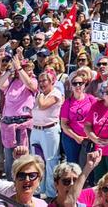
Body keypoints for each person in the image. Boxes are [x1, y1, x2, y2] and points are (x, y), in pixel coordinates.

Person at [0, 51, 40, 178]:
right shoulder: (11, 82)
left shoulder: (33, 80)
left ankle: (25, 179)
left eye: (28, 68)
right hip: (8, 123)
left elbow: (30, 85)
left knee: (24, 156)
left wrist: (19, 68)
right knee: (9, 156)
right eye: (25, 68)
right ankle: (11, 182)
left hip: (24, 123)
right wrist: (9, 70)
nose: (27, 70)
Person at [32, 69, 65, 200]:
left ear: (52, 81)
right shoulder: (40, 94)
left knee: (51, 162)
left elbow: (43, 105)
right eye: (39, 81)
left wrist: (39, 94)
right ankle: (38, 190)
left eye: (44, 80)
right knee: (37, 161)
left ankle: (51, 194)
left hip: (49, 130)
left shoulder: (55, 93)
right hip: (36, 129)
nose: (41, 83)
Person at [61, 67, 96, 165]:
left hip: (88, 138)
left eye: (80, 83)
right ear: (71, 86)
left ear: (85, 85)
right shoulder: (67, 103)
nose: (78, 86)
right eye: (75, 83)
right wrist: (76, 137)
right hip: (71, 138)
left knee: (88, 165)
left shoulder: (91, 99)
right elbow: (64, 124)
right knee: (73, 165)